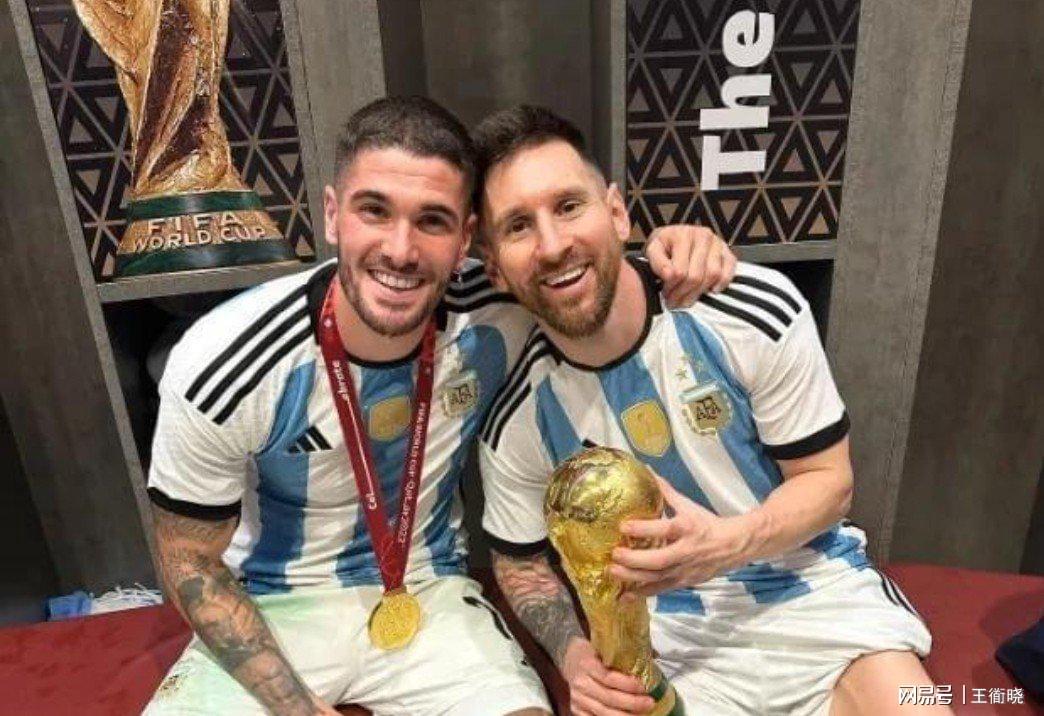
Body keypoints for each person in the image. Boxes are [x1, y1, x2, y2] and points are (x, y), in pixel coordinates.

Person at [143, 96, 735, 715]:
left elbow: (590, 278)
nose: (401, 250)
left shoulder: (498, 308)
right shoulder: (224, 359)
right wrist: (296, 708)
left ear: (465, 241)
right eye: (375, 211)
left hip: (431, 590)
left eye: (432, 221)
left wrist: (679, 247)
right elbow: (189, 561)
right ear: (333, 215)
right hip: (272, 605)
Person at [473, 105, 943, 716]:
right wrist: (575, 656)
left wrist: (726, 543)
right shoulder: (518, 414)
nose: (554, 244)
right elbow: (519, 562)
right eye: (518, 226)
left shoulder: (746, 308)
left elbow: (830, 484)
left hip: (818, 602)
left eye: (568, 206)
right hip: (666, 648)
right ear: (494, 268)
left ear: (616, 213)